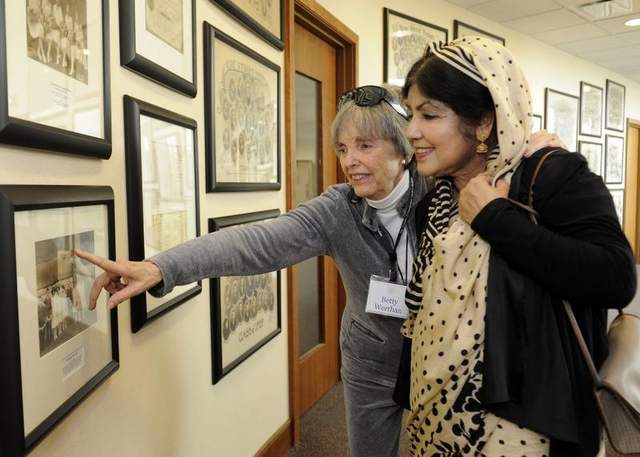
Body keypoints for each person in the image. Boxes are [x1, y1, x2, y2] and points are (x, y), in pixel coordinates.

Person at [76, 84, 558, 456]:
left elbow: (502, 167)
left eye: (365, 147)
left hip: (442, 359)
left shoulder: (445, 193)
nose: (350, 162)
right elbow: (256, 243)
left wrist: (536, 154)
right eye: (343, 149)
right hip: (371, 361)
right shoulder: (338, 210)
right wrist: (161, 267)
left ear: (404, 148)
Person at [400, 37, 636, 457]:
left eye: (429, 115)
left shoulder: (551, 176)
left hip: (527, 422)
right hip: (434, 414)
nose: (412, 131)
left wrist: (495, 218)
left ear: (484, 123)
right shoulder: (432, 204)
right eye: (411, 115)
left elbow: (615, 278)